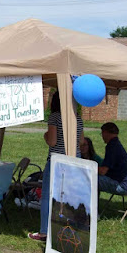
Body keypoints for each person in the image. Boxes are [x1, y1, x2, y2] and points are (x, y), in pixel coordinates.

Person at [28, 91, 84, 242]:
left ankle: (45, 232)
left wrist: (45, 136)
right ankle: (68, 229)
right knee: (68, 197)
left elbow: (52, 141)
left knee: (48, 195)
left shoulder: (55, 117)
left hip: (57, 161)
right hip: (74, 160)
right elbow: (81, 142)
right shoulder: (77, 118)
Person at [98, 122, 127, 196]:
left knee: (91, 179)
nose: (102, 136)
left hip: (121, 185)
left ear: (106, 132)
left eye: (102, 133)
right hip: (125, 183)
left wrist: (90, 168)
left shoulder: (112, 147)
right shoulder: (116, 144)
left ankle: (89, 205)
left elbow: (103, 171)